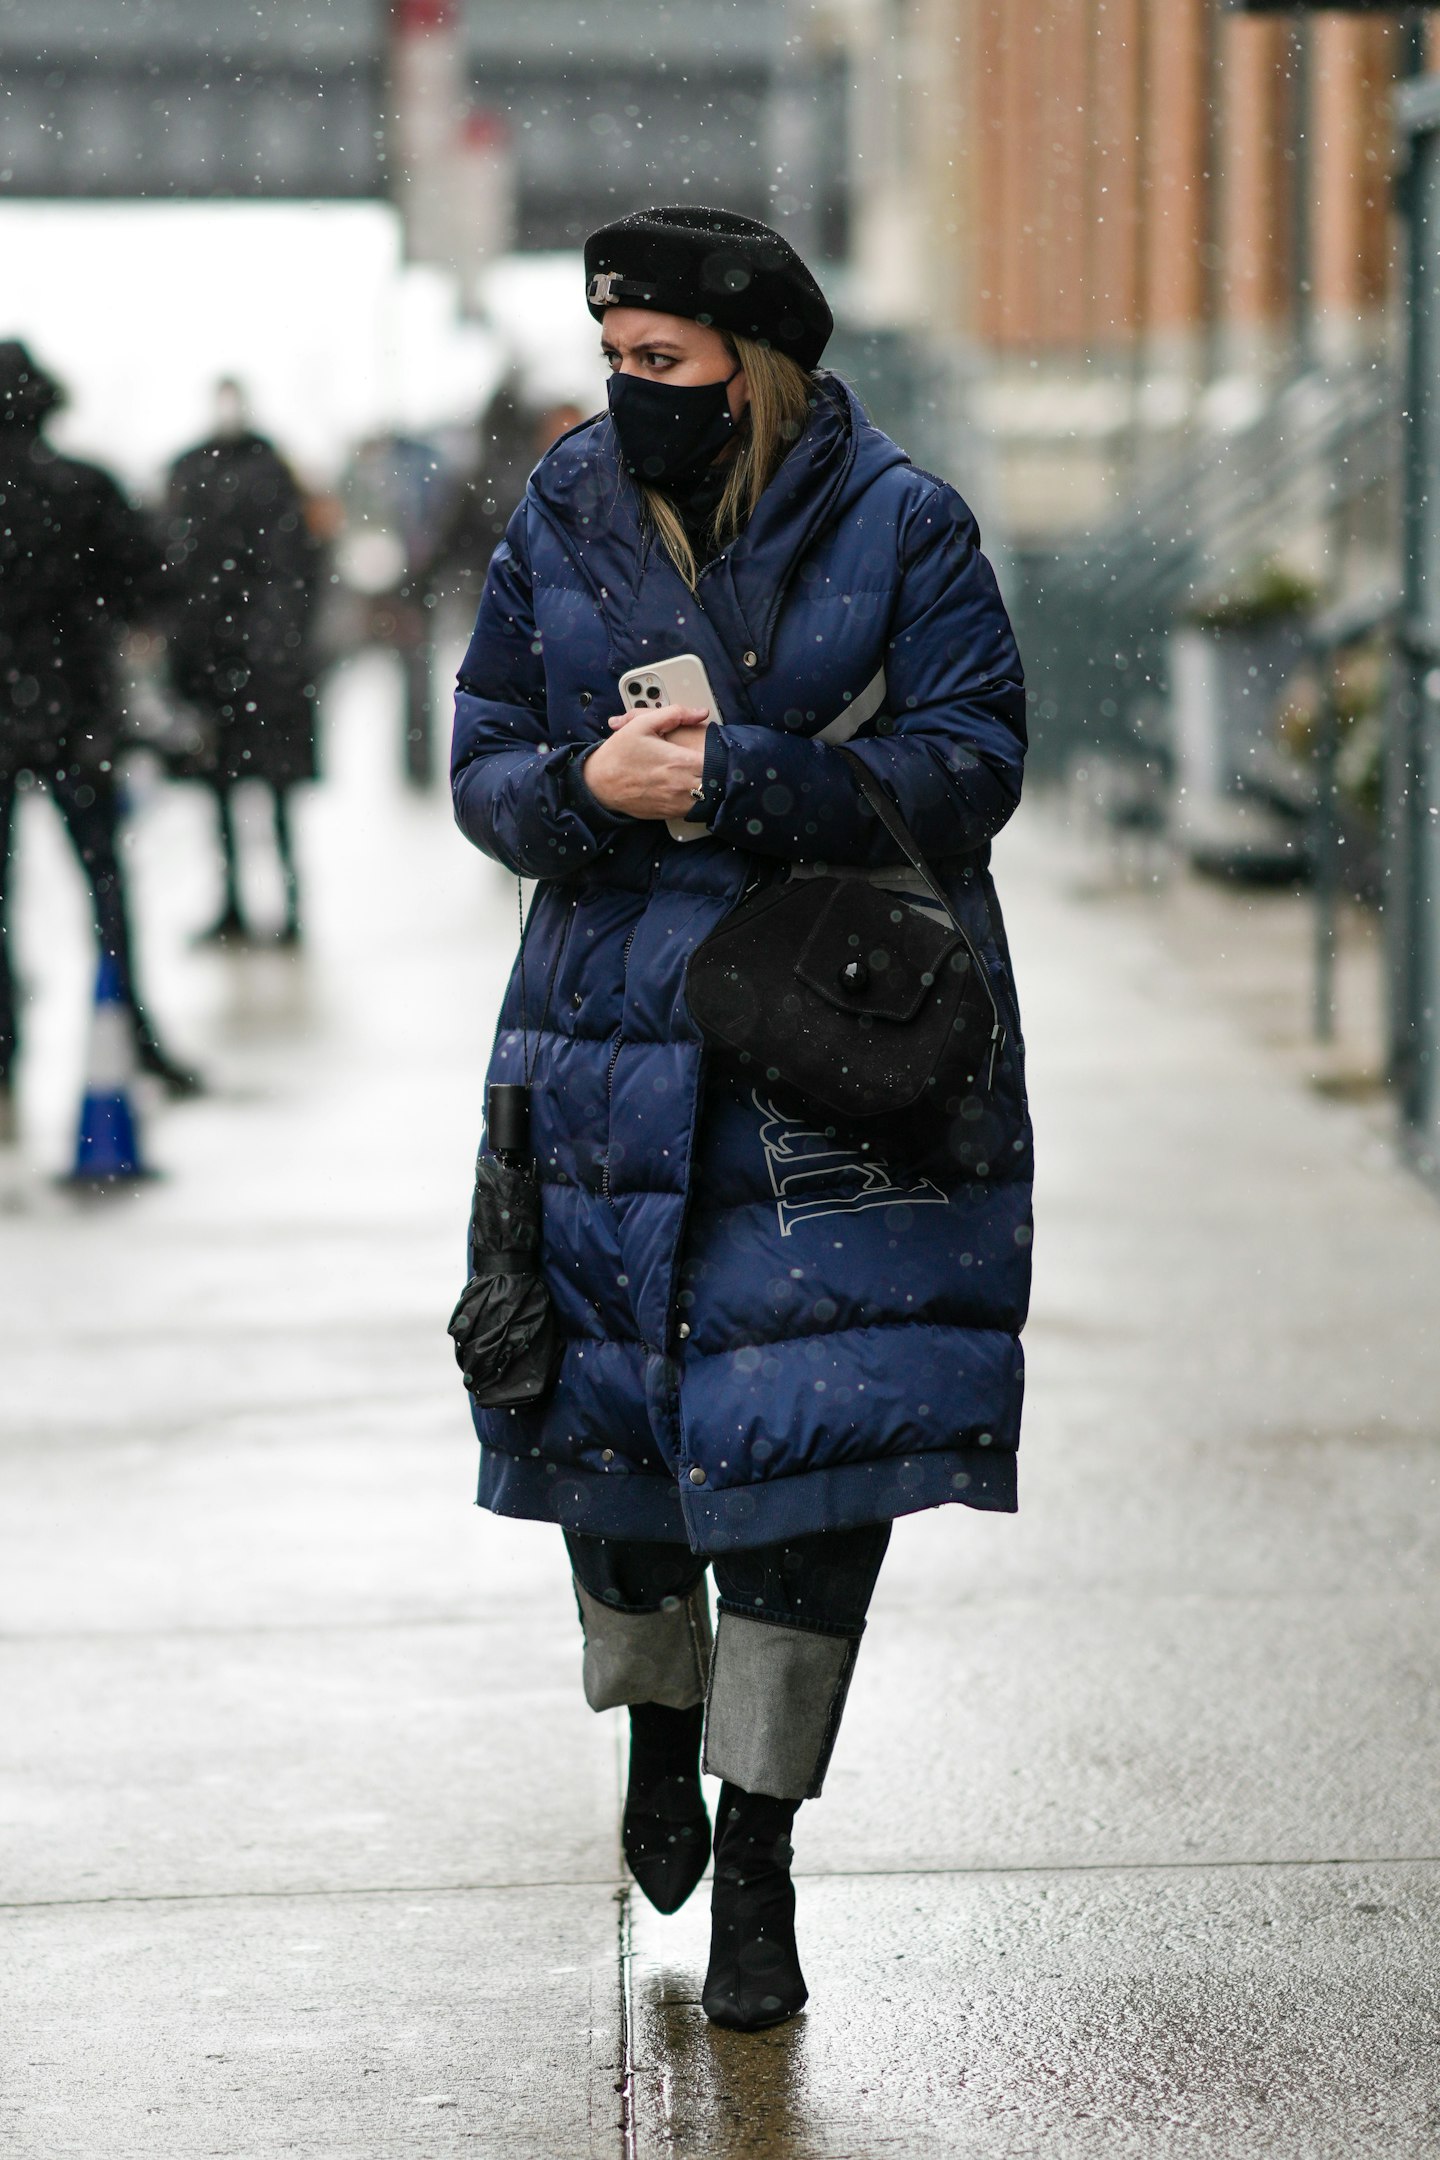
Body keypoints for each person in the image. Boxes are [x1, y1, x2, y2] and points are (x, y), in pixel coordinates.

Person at [449, 208, 1031, 2031]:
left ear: (755, 365)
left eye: (666, 370)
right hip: (604, 1045)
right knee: (600, 1440)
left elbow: (978, 760)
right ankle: (658, 1726)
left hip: (827, 1047)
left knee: (811, 1457)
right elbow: (476, 755)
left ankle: (762, 1847)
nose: (631, 400)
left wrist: (755, 777)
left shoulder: (903, 521)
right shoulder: (563, 512)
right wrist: (581, 789)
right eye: (613, 365)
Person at [0, 339, 200, 1128]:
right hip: (75, 714)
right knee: (104, 886)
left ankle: (4, 1055)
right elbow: (151, 585)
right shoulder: (81, 487)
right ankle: (133, 1033)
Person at [164, 381, 321, 945]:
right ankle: (247, 904)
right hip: (232, 658)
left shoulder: (240, 470)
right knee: (229, 790)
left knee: (262, 791)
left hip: (253, 659)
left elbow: (291, 564)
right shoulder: (232, 469)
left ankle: (284, 906)